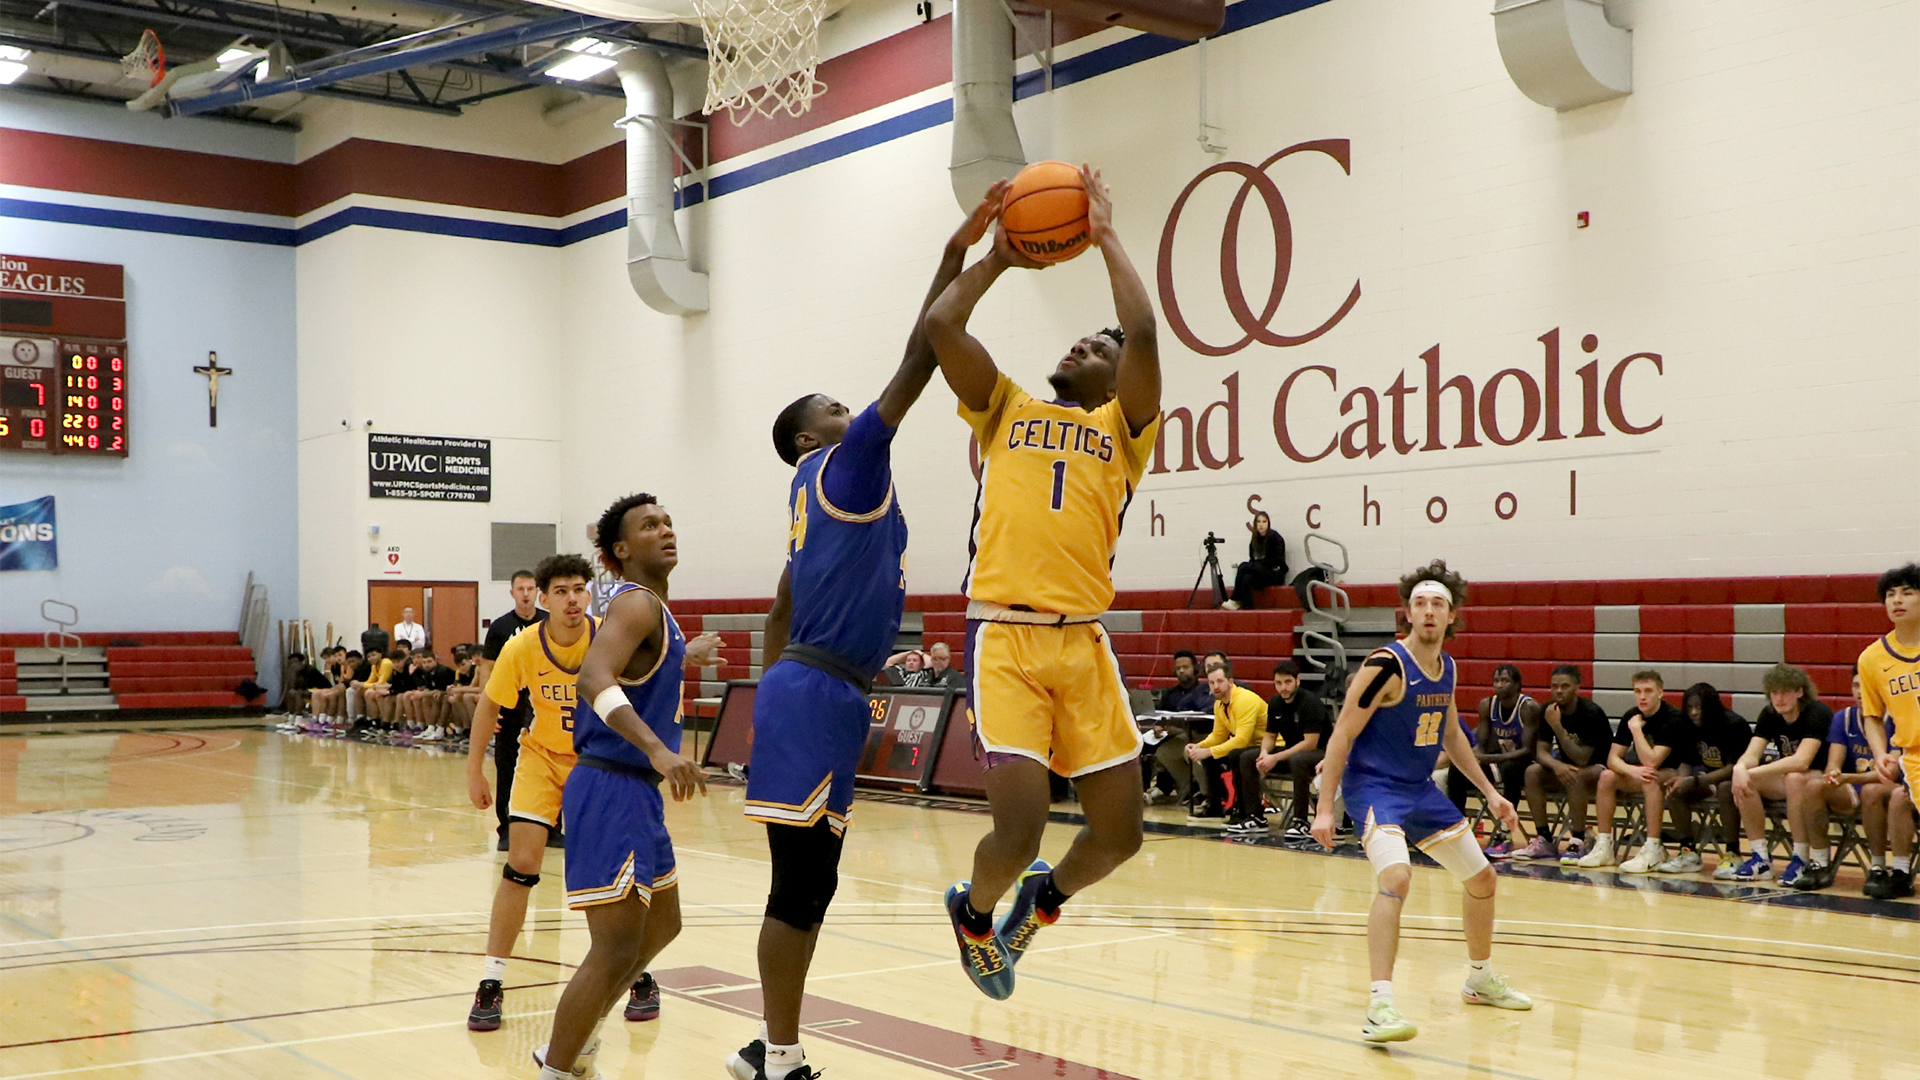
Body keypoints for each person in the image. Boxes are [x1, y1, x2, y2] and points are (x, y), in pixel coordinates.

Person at [725, 185, 1000, 1080]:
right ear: (813, 434)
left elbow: (777, 604)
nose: (855, 411)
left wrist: (770, 693)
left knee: (816, 887)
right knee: (798, 888)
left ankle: (773, 1044)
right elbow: (923, 353)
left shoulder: (815, 502)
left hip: (816, 689)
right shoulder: (843, 465)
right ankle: (778, 1056)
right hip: (816, 690)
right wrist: (963, 257)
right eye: (837, 406)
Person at [924, 163, 1161, 1002]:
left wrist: (1103, 234)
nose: (1082, 347)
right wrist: (997, 258)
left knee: (1120, 834)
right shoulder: (1007, 409)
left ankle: (1043, 902)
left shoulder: (1125, 432)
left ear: (1115, 376)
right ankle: (975, 912)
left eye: (1097, 348)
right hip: (1009, 640)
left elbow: (1144, 331)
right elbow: (942, 326)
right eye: (1080, 341)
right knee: (1017, 829)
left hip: (1084, 645)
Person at [532, 494, 720, 1080]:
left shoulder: (655, 612)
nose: (665, 530)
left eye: (667, 521)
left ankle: (577, 1037)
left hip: (634, 791)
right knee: (613, 947)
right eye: (649, 526)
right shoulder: (636, 604)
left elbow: (637, 674)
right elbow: (594, 677)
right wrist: (661, 750)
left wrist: (687, 656)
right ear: (621, 550)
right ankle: (557, 1066)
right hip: (612, 785)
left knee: (664, 924)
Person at [1312, 560, 1530, 1044]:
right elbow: (1342, 733)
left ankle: (1479, 979)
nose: (1429, 611)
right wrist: (1326, 807)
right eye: (1420, 603)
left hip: (1419, 789)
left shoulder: (1446, 667)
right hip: (1374, 788)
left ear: (1452, 616)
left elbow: (1451, 734)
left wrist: (1492, 794)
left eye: (1438, 604)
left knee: (1483, 879)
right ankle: (1380, 1005)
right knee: (1396, 876)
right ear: (1406, 613)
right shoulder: (1385, 666)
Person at [464, 556, 638, 1031]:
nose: (572, 599)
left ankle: (638, 972)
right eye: (560, 591)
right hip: (541, 759)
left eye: (579, 589)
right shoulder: (522, 647)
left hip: (595, 763)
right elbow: (489, 706)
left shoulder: (608, 636)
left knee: (610, 873)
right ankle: (491, 982)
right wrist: (474, 769)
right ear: (542, 599)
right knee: (521, 865)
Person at [1718, 663, 1831, 883]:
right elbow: (1752, 753)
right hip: (1794, 780)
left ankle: (1801, 858)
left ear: (1799, 692)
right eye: (1774, 692)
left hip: (1823, 780)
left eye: (1785, 692)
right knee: (1747, 782)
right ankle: (1760, 857)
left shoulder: (1817, 712)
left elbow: (1802, 760)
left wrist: (1753, 770)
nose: (1779, 698)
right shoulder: (1770, 714)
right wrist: (1741, 768)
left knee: (1794, 777)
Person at [1790, 669, 1895, 892]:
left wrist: (1847, 777)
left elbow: (1888, 773)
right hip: (1856, 785)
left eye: (1864, 686)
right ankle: (1820, 862)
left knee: (1872, 791)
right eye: (1856, 686)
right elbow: (1834, 763)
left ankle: (1878, 867)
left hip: (1892, 787)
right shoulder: (1844, 718)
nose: (1859, 692)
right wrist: (1834, 773)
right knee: (1814, 786)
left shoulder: (1896, 718)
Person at [1583, 671, 1688, 872]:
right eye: (1637, 691)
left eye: (1648, 691)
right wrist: (1631, 770)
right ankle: (1604, 845)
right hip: (1642, 772)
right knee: (1606, 776)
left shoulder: (1673, 717)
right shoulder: (1631, 715)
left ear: (1660, 693)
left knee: (1649, 778)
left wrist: (1637, 730)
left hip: (1674, 772)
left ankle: (1653, 848)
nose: (1642, 696)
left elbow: (1652, 761)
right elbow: (1612, 758)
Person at [1860, 563, 1920, 897]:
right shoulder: (1872, 659)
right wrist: (1881, 753)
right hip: (1914, 758)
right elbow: (1872, 715)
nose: (1897, 600)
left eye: (1907, 592)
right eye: (1890, 594)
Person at [1513, 665, 1610, 862]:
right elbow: (1541, 752)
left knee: (1577, 773)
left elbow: (1582, 758)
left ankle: (1578, 840)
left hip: (1599, 770)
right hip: (1566, 767)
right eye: (1554, 686)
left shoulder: (1591, 712)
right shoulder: (1548, 710)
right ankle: (1544, 839)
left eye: (1565, 686)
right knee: (1532, 772)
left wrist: (1557, 726)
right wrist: (1557, 765)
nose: (1558, 691)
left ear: (1577, 687)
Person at [1654, 683, 1750, 873]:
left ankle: (1733, 853)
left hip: (1738, 778)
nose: (1694, 712)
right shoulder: (1687, 724)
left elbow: (1733, 768)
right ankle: (1688, 852)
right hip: (1705, 777)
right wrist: (1680, 779)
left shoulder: (1732, 724)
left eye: (1699, 707)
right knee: (1674, 789)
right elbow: (1686, 761)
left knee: (1724, 787)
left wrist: (1696, 780)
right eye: (1689, 708)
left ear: (1711, 706)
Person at [481, 570, 546, 851]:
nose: (526, 594)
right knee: (506, 767)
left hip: (543, 705)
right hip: (510, 704)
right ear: (512, 592)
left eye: (530, 588)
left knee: (547, 768)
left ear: (537, 591)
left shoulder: (549, 622)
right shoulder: (500, 627)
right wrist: (489, 708)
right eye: (520, 589)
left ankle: (551, 828)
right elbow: (487, 668)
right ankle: (506, 828)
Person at [1449, 664, 1539, 858]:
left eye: (1505, 681)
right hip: (1498, 760)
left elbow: (1528, 751)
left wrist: (1488, 758)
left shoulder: (1529, 707)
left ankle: (1504, 835)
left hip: (1525, 764)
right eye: (1496, 681)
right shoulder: (1487, 705)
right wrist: (1474, 757)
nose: (1499, 685)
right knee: (1457, 769)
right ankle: (1458, 826)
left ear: (1517, 685)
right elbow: (1481, 744)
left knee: (1510, 770)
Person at [1241, 659, 1330, 839]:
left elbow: (1310, 743)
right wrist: (1264, 754)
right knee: (1246, 757)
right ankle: (1255, 816)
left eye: (1288, 682)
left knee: (1298, 759)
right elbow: (1270, 735)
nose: (1283, 688)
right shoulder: (1275, 702)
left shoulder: (1310, 702)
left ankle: (1301, 821)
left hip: (1321, 755)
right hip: (1292, 753)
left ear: (1298, 680)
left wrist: (1275, 758)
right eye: (1278, 683)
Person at [1186, 660, 1263, 823]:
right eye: (1212, 682)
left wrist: (1208, 751)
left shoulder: (1244, 700)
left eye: (1220, 681)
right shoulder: (1219, 704)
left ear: (1230, 682)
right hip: (1248, 747)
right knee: (1211, 757)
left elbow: (1242, 740)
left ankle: (1244, 810)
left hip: (1270, 746)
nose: (1216, 686)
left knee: (1237, 755)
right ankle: (1214, 806)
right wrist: (1199, 746)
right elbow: (1218, 736)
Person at [1222, 510, 1286, 611]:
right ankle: (1248, 609)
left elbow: (1277, 561)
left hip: (1274, 573)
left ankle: (1235, 599)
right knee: (1247, 578)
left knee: (1243, 566)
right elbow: (1252, 560)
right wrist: (1256, 566)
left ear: (1268, 523)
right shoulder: (1254, 541)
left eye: (1264, 522)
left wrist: (1257, 565)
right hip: (1261, 572)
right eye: (1258, 522)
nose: (1261, 525)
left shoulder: (1275, 538)